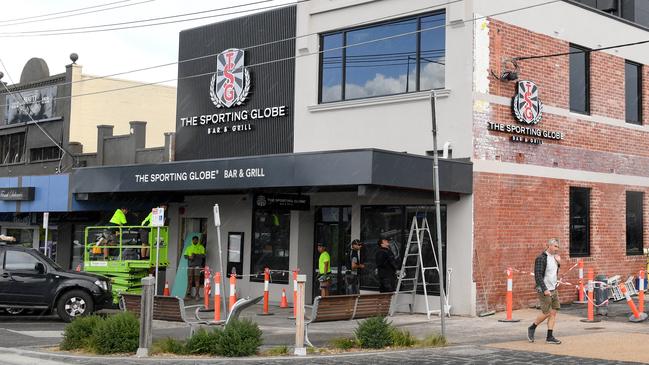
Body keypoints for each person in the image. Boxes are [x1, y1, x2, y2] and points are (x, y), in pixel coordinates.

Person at [528, 238, 562, 344]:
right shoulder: (541, 258)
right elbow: (538, 275)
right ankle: (532, 327)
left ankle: (549, 337)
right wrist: (544, 289)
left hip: (554, 288)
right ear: (549, 246)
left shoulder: (555, 258)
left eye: (558, 247)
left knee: (553, 312)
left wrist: (559, 263)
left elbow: (552, 272)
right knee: (547, 313)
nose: (557, 249)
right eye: (555, 246)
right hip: (544, 289)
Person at [184, 236, 206, 300]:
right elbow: (185, 256)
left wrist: (196, 255)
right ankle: (188, 295)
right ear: (192, 240)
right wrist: (189, 257)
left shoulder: (201, 247)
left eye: (196, 240)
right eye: (194, 240)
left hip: (197, 266)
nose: (195, 241)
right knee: (190, 281)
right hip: (190, 266)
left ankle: (197, 295)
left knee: (197, 280)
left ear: (198, 240)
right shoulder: (189, 247)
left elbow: (203, 255)